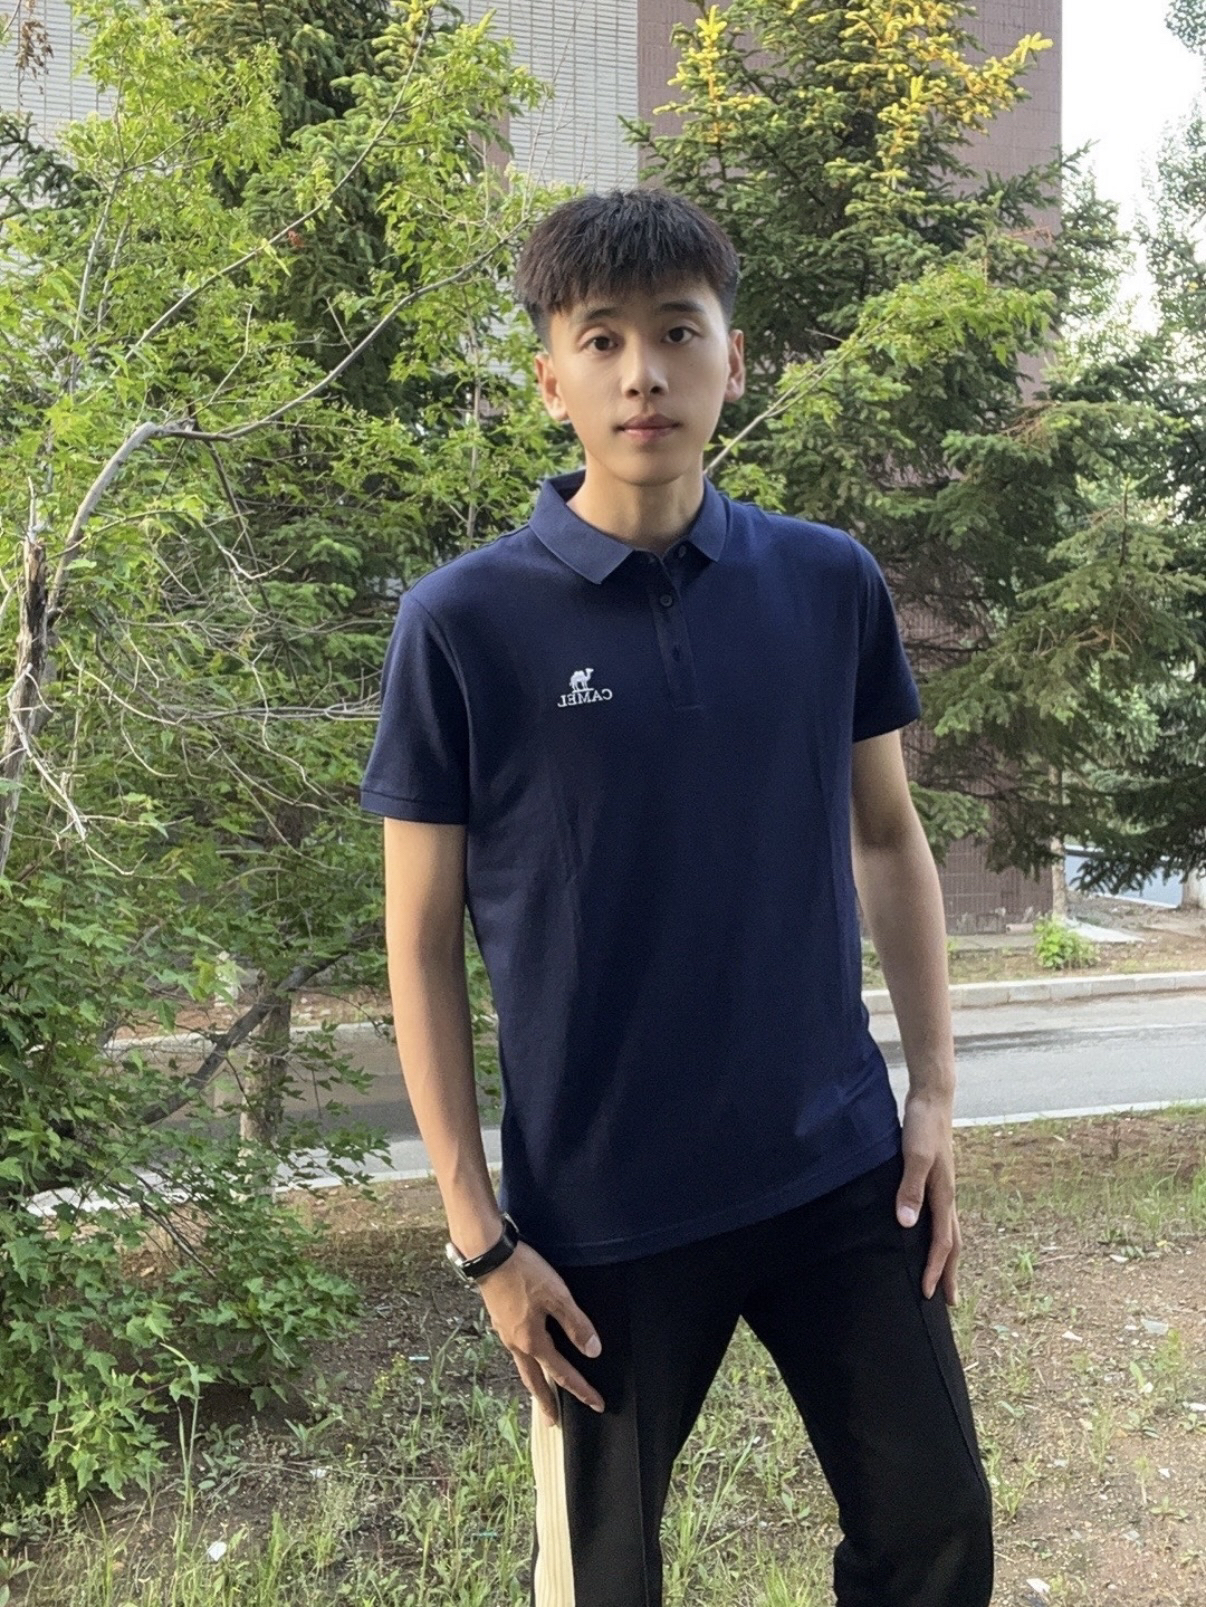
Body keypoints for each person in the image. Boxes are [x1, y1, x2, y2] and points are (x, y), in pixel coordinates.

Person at [359, 186, 993, 1607]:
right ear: (552, 380)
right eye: (601, 340)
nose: (641, 372)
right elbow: (418, 942)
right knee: (601, 1582)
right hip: (600, 1218)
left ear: (732, 359)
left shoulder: (826, 582)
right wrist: (480, 1238)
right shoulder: (460, 626)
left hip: (838, 1170)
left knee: (937, 1530)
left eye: (676, 332)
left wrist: (935, 1098)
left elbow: (889, 840)